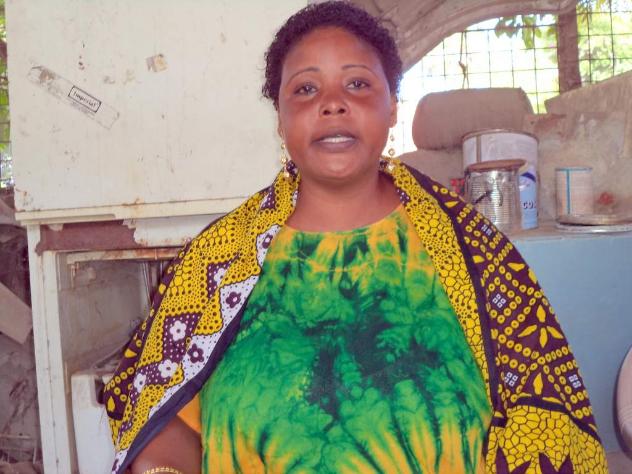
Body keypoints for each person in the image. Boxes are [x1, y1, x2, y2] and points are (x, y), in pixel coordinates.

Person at [103, 2, 607, 473]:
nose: (333, 104)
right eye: (306, 89)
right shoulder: (218, 260)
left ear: (392, 108)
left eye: (358, 84)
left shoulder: (474, 250)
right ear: (279, 119)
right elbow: (156, 414)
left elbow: (548, 416)